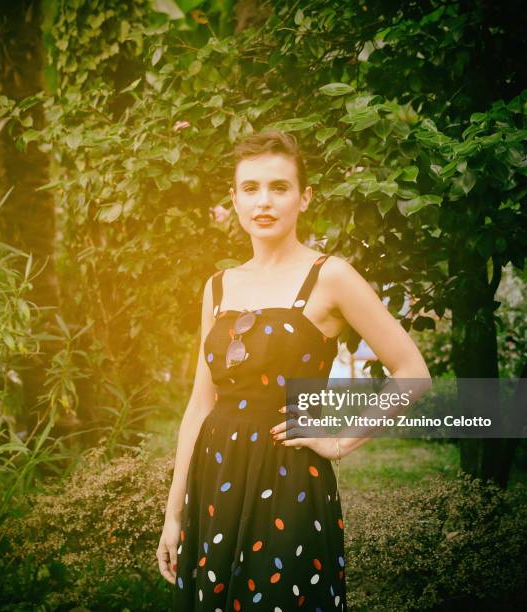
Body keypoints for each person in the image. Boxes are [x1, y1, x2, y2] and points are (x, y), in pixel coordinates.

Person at [157, 130, 431, 610]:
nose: (264, 201)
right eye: (250, 188)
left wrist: (341, 442)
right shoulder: (218, 286)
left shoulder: (330, 276)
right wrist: (174, 512)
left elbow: (413, 372)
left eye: (279, 188)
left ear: (304, 198)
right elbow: (201, 404)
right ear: (235, 198)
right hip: (215, 479)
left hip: (288, 481)